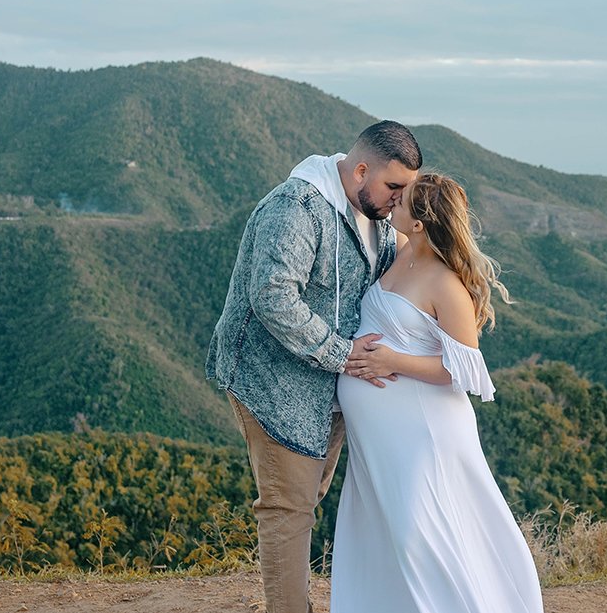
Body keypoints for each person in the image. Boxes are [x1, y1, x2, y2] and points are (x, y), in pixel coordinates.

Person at [208, 120, 422, 613]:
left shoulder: (374, 212)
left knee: (305, 499)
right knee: (288, 510)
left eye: (406, 190)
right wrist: (344, 355)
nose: (398, 199)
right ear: (361, 169)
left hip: (326, 388)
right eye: (393, 187)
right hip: (275, 383)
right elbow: (272, 296)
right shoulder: (297, 208)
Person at [330, 172, 545, 613]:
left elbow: (465, 371)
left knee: (418, 535)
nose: (392, 202)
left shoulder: (445, 284)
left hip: (423, 433)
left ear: (419, 223)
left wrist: (392, 361)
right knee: (384, 533)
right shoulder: (400, 254)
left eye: (401, 199)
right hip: (379, 439)